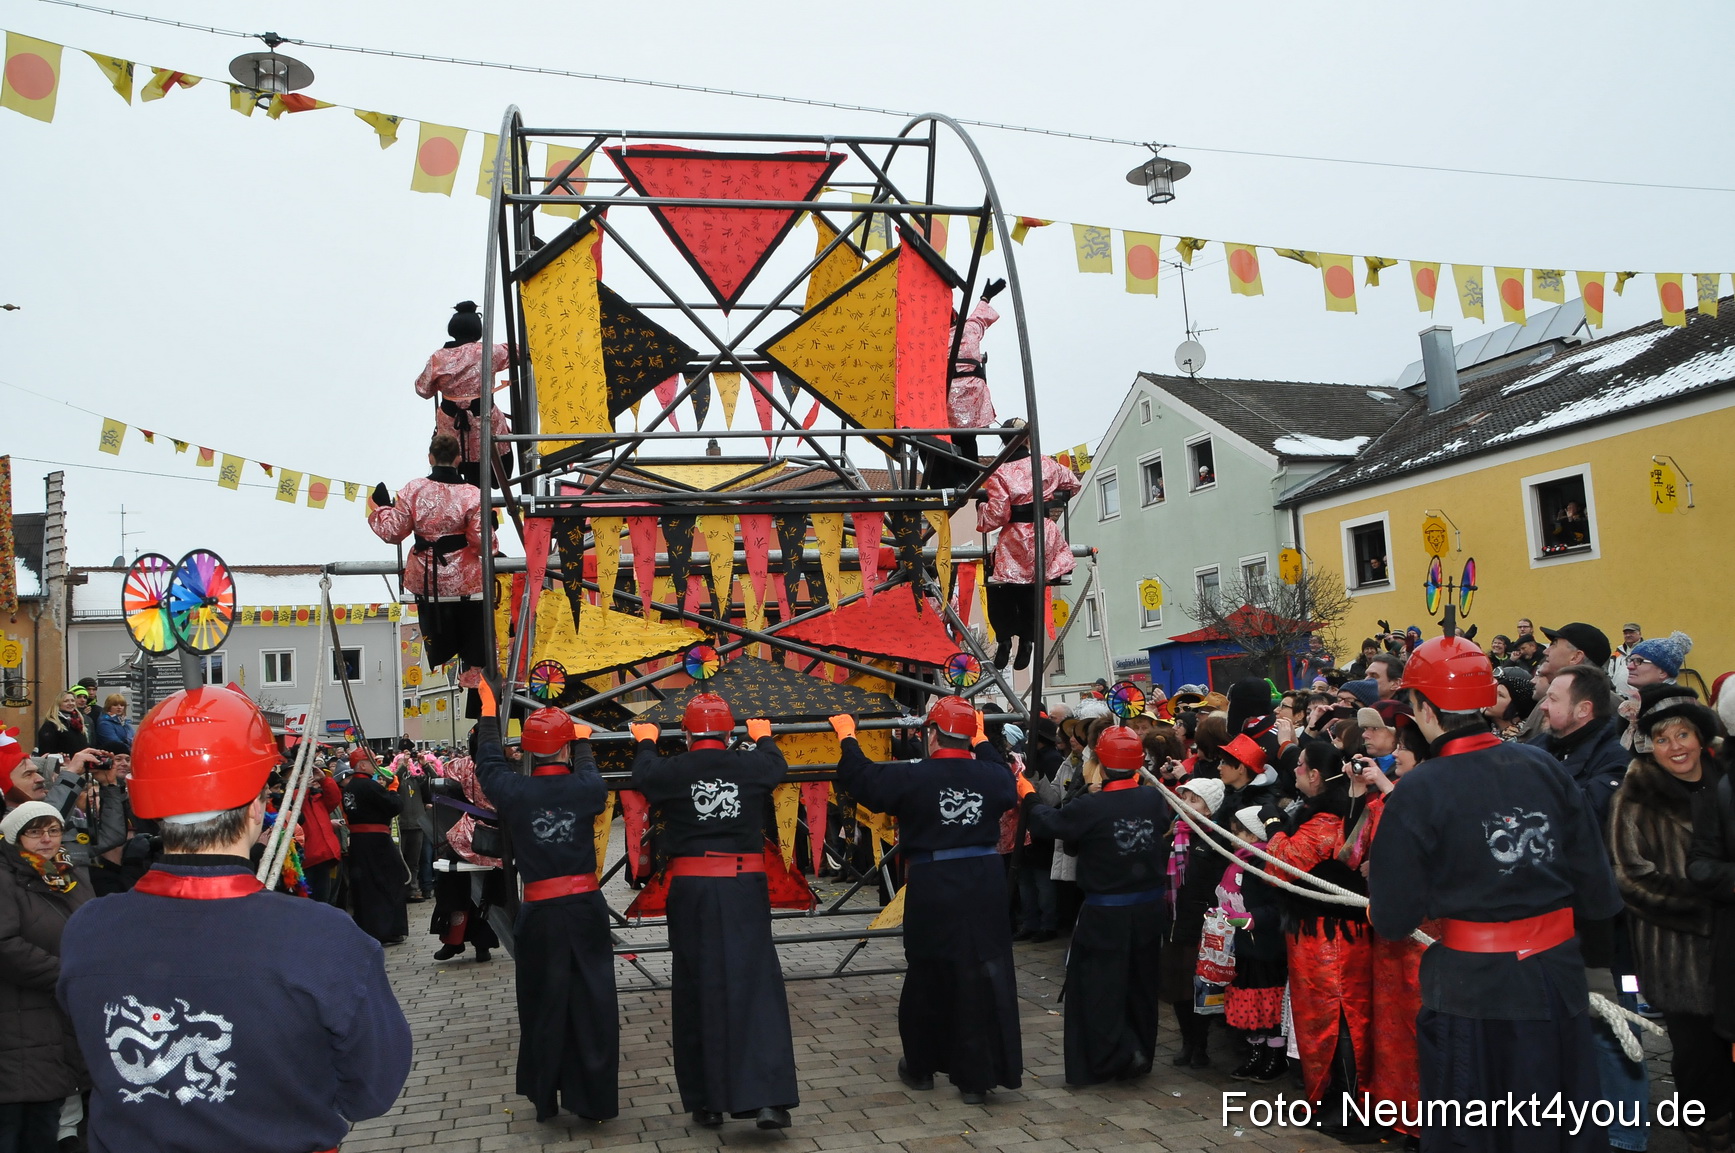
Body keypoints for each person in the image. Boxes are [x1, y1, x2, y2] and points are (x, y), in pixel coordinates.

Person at [56, 686, 411, 1153]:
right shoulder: (322, 937)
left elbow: (80, 1054)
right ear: (256, 807)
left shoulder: (87, 928)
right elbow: (372, 1089)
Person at [1367, 636, 1623, 1153]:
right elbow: (1597, 891)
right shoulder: (1544, 766)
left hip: (1476, 996)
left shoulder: (1418, 789)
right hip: (1559, 980)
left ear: (1423, 708)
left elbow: (1392, 918)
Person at [832, 697, 1021, 1104]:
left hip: (935, 881)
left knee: (928, 972)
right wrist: (983, 739)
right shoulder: (991, 775)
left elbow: (861, 779)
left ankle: (920, 1065)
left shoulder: (915, 776)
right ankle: (977, 1074)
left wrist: (848, 737)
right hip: (986, 879)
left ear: (931, 735)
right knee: (986, 969)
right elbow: (1007, 782)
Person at [631, 694, 796, 1129]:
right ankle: (767, 1099)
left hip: (693, 891)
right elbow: (775, 766)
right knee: (756, 985)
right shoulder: (751, 765)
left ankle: (707, 1100)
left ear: (686, 735)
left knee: (696, 987)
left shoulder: (672, 769)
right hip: (744, 887)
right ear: (729, 734)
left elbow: (644, 774)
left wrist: (646, 741)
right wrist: (763, 738)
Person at [473, 688, 617, 1124]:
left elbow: (489, 763)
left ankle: (544, 1095)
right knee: (592, 1002)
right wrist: (586, 743)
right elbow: (590, 773)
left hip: (539, 911)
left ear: (530, 750)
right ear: (567, 747)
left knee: (541, 1003)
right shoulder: (587, 788)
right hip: (586, 906)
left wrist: (488, 713)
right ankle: (592, 1098)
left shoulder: (514, 792)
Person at [1610, 685, 1731, 1151]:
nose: (1675, 746)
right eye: (1662, 738)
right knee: (1697, 1056)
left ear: (1702, 738)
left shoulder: (1726, 783)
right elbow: (1630, 876)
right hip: (1676, 951)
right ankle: (1705, 1133)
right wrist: (1702, 905)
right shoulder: (1636, 794)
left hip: (1729, 943)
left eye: (1683, 734)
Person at [1021, 725, 1164, 1084]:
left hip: (1107, 912)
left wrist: (1027, 793)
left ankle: (1107, 1057)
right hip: (1148, 910)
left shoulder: (1092, 805)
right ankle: (1139, 1051)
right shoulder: (1153, 798)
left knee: (1100, 987)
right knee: (1140, 984)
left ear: (1099, 763)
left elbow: (1050, 823)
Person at [1265, 743, 1373, 1127]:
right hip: (1331, 930)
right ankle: (1335, 1099)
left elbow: (1284, 864)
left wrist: (1272, 825)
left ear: (1314, 775)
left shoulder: (1328, 815)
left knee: (1337, 1017)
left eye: (1299, 767)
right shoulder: (1339, 807)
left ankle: (1346, 1107)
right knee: (1331, 1017)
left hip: (1333, 937)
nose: (1294, 772)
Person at [0, 802, 91, 1152]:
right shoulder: (6, 876)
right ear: (14, 837)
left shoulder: (69, 872)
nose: (46, 840)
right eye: (35, 832)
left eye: (53, 830)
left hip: (59, 1018)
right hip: (18, 1017)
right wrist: (65, 972)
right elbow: (5, 945)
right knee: (15, 1126)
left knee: (49, 1125)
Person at [976, 419, 1081, 671]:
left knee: (1000, 582)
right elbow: (1073, 484)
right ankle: (1028, 639)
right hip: (1045, 534)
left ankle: (1004, 638)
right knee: (1033, 586)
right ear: (1028, 439)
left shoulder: (999, 471)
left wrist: (981, 509)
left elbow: (998, 514)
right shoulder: (1046, 463)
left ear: (1003, 440)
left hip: (1016, 536)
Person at [1160, 776, 1230, 1068]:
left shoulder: (1217, 839)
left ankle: (1200, 1044)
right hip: (1175, 919)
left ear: (1210, 809)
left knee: (1200, 986)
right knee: (1178, 984)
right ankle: (1187, 1041)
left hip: (1202, 921)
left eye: (1194, 800)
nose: (1186, 805)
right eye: (1184, 798)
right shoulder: (1174, 834)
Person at [414, 300, 513, 486]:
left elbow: (423, 390)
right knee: (493, 469)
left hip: (451, 428)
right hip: (485, 421)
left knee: (453, 477)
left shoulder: (438, 358)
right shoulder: (488, 351)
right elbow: (515, 351)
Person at [429, 727, 502, 961]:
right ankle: (457, 941)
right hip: (483, 835)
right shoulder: (503, 766)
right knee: (455, 887)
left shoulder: (465, 764)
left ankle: (478, 944)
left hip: (482, 835)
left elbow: (445, 773)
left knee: (485, 892)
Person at [926, 278, 1005, 492]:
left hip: (951, 394)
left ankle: (954, 481)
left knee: (950, 438)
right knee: (969, 438)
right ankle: (968, 479)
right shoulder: (969, 329)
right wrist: (986, 296)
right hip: (973, 393)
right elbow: (980, 317)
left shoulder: (934, 339)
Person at [1529, 664, 1630, 834]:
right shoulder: (1538, 745)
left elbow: (1584, 817)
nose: (1543, 707)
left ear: (1583, 710)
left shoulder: (1617, 757)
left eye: (1553, 699)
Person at [341, 748, 408, 945]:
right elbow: (394, 806)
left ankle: (369, 928)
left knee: (365, 885)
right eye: (372, 762)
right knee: (388, 881)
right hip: (376, 841)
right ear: (362, 765)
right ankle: (386, 929)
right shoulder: (368, 786)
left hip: (359, 841)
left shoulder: (349, 787)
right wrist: (394, 790)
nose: (376, 765)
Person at [389, 740, 437, 902]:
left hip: (417, 825)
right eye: (405, 762)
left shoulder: (417, 780)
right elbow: (393, 780)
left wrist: (424, 765)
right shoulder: (395, 780)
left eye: (409, 762)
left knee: (414, 861)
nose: (409, 765)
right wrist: (402, 765)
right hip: (400, 826)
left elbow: (434, 781)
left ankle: (413, 888)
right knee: (399, 861)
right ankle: (399, 889)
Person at [33, 693, 88, 760]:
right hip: (63, 766)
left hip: (81, 764)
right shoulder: (51, 725)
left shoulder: (78, 723)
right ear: (58, 704)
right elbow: (46, 751)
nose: (70, 703)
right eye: (66, 701)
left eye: (72, 701)